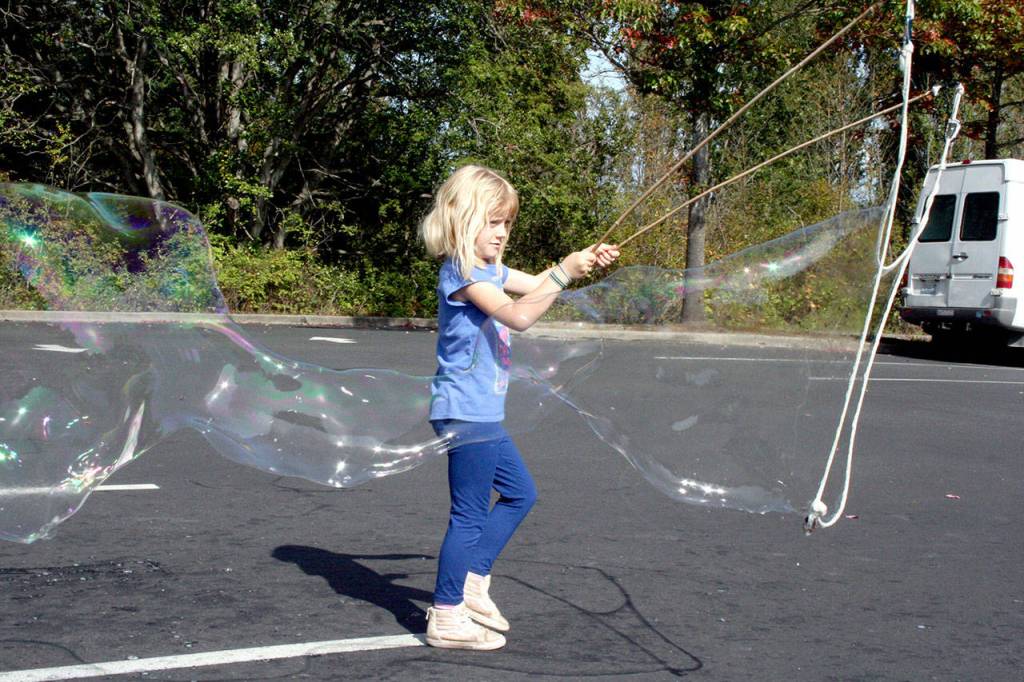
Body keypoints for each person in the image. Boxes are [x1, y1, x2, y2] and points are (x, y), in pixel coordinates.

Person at [419, 164, 619, 650]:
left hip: (480, 410)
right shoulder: (463, 273)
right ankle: (446, 614)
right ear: (462, 220)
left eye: (506, 223)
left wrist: (577, 263)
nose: (502, 233)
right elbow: (519, 315)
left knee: (520, 494)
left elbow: (535, 287)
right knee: (468, 514)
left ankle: (470, 581)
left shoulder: (490, 269)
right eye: (492, 222)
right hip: (467, 410)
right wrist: (563, 273)